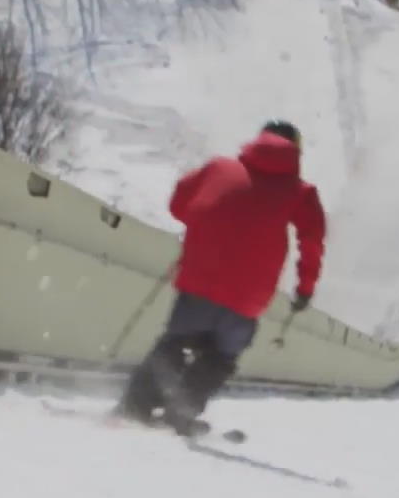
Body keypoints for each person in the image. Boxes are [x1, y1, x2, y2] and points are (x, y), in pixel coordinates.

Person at [115, 120, 327, 434]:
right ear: (295, 151)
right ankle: (180, 413)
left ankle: (135, 408)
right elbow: (312, 241)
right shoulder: (301, 193)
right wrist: (305, 289)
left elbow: (179, 204)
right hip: (247, 299)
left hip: (198, 281)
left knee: (174, 343)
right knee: (221, 356)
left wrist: (211, 228)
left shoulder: (219, 168)